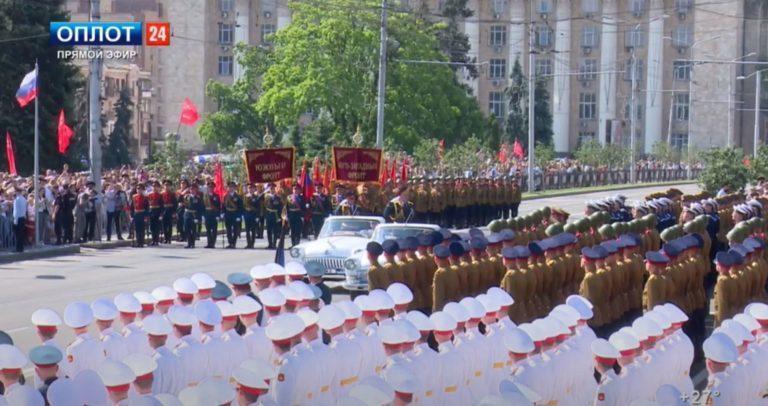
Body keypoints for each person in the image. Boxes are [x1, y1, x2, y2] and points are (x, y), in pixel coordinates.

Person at [223, 181, 244, 249]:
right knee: (228, 230)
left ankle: (233, 243)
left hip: (235, 214)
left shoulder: (238, 196)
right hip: (228, 214)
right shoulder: (226, 196)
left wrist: (239, 216)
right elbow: (223, 206)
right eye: (230, 187)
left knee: (235, 230)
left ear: (234, 188)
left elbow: (240, 207)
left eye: (232, 187)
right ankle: (230, 243)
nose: (231, 188)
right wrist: (222, 213)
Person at [203, 180, 222, 249]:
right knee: (208, 230)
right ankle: (209, 243)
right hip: (207, 214)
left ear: (214, 188)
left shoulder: (216, 196)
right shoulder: (204, 196)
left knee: (214, 230)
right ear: (207, 188)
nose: (210, 188)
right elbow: (202, 206)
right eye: (209, 187)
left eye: (212, 187)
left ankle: (213, 243)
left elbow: (219, 207)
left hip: (214, 214)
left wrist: (218, 215)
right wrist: (203, 216)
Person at [131, 183, 148, 248]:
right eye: (138, 189)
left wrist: (146, 216)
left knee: (142, 229)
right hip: (136, 214)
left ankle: (141, 242)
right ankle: (138, 242)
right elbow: (132, 207)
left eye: (140, 189)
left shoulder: (145, 197)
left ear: (143, 190)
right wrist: (131, 215)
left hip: (142, 214)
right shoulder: (134, 196)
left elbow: (147, 207)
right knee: (137, 229)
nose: (139, 190)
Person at [148, 180, 163, 246]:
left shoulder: (160, 195)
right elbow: (148, 204)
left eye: (156, 186)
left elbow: (162, 205)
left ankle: (156, 240)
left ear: (158, 187)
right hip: (151, 211)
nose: (154, 188)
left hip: (157, 211)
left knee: (157, 227)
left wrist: (161, 214)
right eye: (153, 186)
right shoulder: (150, 194)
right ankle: (153, 240)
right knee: (152, 227)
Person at [11, 188, 27, 252]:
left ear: (17, 192)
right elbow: (25, 209)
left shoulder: (16, 200)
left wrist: (15, 220)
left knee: (17, 234)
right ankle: (21, 248)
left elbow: (16, 211)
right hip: (23, 217)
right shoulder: (24, 199)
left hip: (18, 218)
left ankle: (18, 248)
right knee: (21, 234)